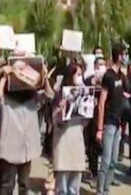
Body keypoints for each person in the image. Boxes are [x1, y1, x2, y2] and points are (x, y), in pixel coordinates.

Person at [0, 60, 54, 195]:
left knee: (24, 185)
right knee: (6, 185)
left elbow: (49, 95)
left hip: (27, 150)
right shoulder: (6, 100)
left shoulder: (32, 98)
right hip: (10, 150)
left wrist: (45, 77)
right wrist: (4, 77)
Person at [96, 43, 129, 195]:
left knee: (114, 160)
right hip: (108, 123)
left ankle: (107, 189)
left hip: (118, 123)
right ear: (118, 55)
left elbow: (124, 95)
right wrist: (100, 128)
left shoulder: (122, 76)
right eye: (124, 54)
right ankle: (100, 191)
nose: (126, 56)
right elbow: (101, 102)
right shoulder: (108, 76)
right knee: (105, 160)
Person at [53, 62, 88, 194]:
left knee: (74, 187)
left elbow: (84, 123)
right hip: (63, 143)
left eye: (81, 75)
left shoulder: (83, 94)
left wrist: (89, 107)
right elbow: (55, 122)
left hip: (77, 143)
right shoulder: (60, 94)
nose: (80, 78)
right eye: (78, 75)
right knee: (61, 188)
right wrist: (60, 110)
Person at [83, 56, 107, 188]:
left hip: (104, 116)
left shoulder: (107, 79)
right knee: (93, 146)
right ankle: (93, 172)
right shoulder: (88, 80)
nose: (101, 67)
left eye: (103, 65)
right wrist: (92, 83)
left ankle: (105, 176)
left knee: (104, 147)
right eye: (99, 65)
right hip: (92, 117)